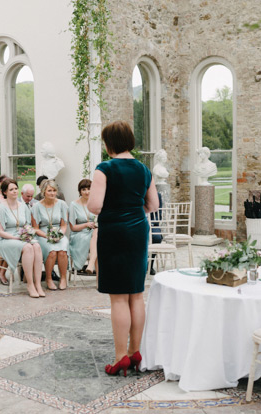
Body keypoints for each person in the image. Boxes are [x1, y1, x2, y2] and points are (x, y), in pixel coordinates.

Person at [87, 120, 159, 377]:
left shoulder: (104, 168)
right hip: (138, 231)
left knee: (118, 296)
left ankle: (120, 358)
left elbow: (94, 206)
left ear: (108, 144)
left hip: (115, 232)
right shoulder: (143, 169)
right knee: (136, 293)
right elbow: (153, 204)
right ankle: (134, 351)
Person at [0, 179, 45, 298]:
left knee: (37, 246)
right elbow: (0, 232)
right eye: (11, 189)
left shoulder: (23, 206)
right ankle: (30, 284)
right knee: (28, 247)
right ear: (5, 192)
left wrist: (27, 233)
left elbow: (27, 225)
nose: (14, 191)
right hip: (5, 239)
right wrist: (16, 237)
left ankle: (38, 284)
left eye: (16, 188)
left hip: (21, 236)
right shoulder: (1, 208)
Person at [32, 179, 70, 290]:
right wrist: (47, 236)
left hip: (59, 232)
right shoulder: (37, 206)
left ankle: (63, 278)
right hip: (43, 233)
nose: (52, 193)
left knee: (62, 250)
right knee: (52, 251)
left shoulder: (62, 204)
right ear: (43, 192)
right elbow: (35, 228)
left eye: (54, 190)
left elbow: (64, 225)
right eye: (49, 191)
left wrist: (59, 234)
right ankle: (48, 278)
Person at [69, 179, 98, 275]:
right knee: (98, 241)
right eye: (84, 189)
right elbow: (73, 227)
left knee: (97, 233)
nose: (87, 192)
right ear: (80, 191)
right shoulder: (74, 205)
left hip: (94, 232)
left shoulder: (95, 203)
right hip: (79, 233)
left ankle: (91, 265)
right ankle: (92, 267)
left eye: (89, 189)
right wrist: (86, 225)